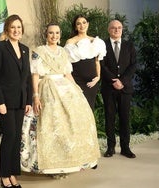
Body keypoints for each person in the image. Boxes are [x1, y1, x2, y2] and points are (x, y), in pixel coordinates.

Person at [20, 23, 100, 177]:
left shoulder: (63, 52)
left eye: (57, 33)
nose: (54, 36)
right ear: (46, 34)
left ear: (60, 35)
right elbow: (35, 75)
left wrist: (77, 89)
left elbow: (67, 73)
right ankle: (49, 166)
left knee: (74, 121)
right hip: (48, 87)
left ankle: (68, 162)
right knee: (52, 123)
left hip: (65, 88)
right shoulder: (39, 51)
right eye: (51, 33)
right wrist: (36, 96)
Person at [0, 14, 32, 188]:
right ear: (7, 29)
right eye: (13, 27)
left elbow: (26, 78)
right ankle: (4, 175)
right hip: (4, 101)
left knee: (16, 138)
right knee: (9, 135)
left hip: (20, 101)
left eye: (19, 27)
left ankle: (13, 173)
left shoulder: (25, 49)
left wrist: (28, 100)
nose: (16, 30)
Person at [101, 20, 136, 158]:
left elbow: (133, 65)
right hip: (108, 88)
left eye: (119, 28)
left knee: (125, 118)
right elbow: (101, 65)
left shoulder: (129, 45)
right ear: (109, 30)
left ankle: (125, 148)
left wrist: (122, 81)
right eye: (114, 28)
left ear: (122, 29)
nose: (117, 30)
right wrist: (113, 80)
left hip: (125, 88)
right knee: (109, 118)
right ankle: (110, 148)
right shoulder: (102, 45)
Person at [64, 15, 106, 110]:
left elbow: (97, 62)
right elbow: (66, 65)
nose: (82, 25)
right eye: (78, 23)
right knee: (77, 111)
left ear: (88, 24)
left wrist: (98, 77)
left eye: (84, 23)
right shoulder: (70, 42)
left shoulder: (96, 42)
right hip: (76, 82)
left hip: (92, 83)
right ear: (75, 27)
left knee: (89, 110)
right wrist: (73, 84)